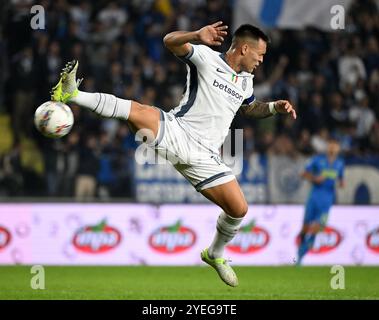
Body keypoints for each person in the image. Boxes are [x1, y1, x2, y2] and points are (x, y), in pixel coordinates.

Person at [51, 22, 296, 286]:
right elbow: (169, 41)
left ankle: (214, 253)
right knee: (138, 111)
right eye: (260, 54)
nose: (261, 60)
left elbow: (249, 108)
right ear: (244, 48)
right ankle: (72, 93)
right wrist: (196, 36)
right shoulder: (205, 57)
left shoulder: (246, 82)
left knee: (239, 209)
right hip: (178, 130)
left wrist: (273, 107)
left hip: (206, 155)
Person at [297, 138, 344, 265]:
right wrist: (314, 178)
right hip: (314, 198)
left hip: (327, 201)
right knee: (305, 228)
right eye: (331, 145)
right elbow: (303, 174)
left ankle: (300, 255)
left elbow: (341, 181)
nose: (333, 148)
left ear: (338, 149)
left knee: (317, 228)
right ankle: (300, 251)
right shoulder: (318, 160)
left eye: (336, 146)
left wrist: (341, 183)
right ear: (328, 147)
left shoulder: (339, 164)